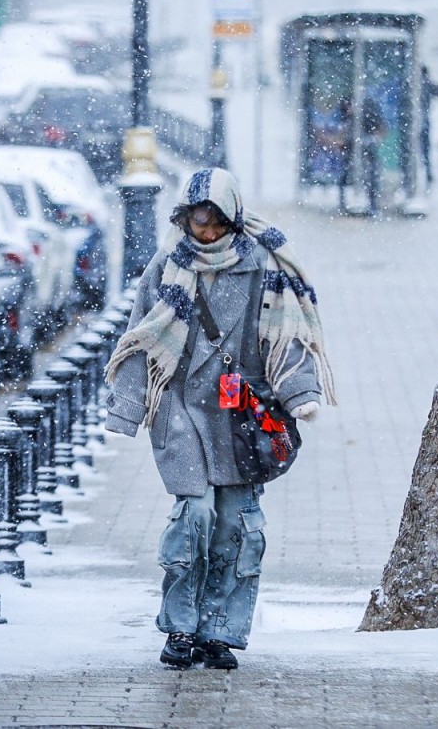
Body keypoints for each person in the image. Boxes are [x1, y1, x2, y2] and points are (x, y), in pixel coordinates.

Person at [104, 168, 335, 671]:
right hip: (180, 404)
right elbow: (141, 337)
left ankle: (220, 632)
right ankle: (180, 627)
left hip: (242, 413)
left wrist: (301, 395)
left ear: (229, 218)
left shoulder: (263, 267)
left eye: (210, 221)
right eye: (194, 220)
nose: (202, 232)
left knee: (236, 523)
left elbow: (285, 336)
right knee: (195, 515)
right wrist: (127, 406)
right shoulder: (166, 266)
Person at [419, 66, 438, 188]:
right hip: (424, 122)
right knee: (425, 150)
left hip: (413, 122)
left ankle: (423, 174)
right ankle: (428, 174)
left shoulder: (412, 84)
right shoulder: (427, 84)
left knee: (416, 150)